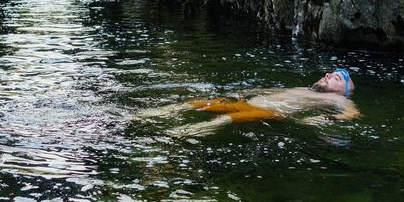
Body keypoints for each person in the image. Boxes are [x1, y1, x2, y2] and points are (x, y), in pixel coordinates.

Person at [141, 69, 360, 137]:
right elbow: (276, 91)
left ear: (343, 90)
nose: (329, 74)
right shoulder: (306, 89)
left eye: (337, 78)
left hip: (269, 112)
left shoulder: (336, 99)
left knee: (227, 118)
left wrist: (322, 119)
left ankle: (180, 134)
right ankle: (145, 116)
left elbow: (351, 114)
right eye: (330, 73)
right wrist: (249, 92)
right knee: (195, 103)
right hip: (251, 102)